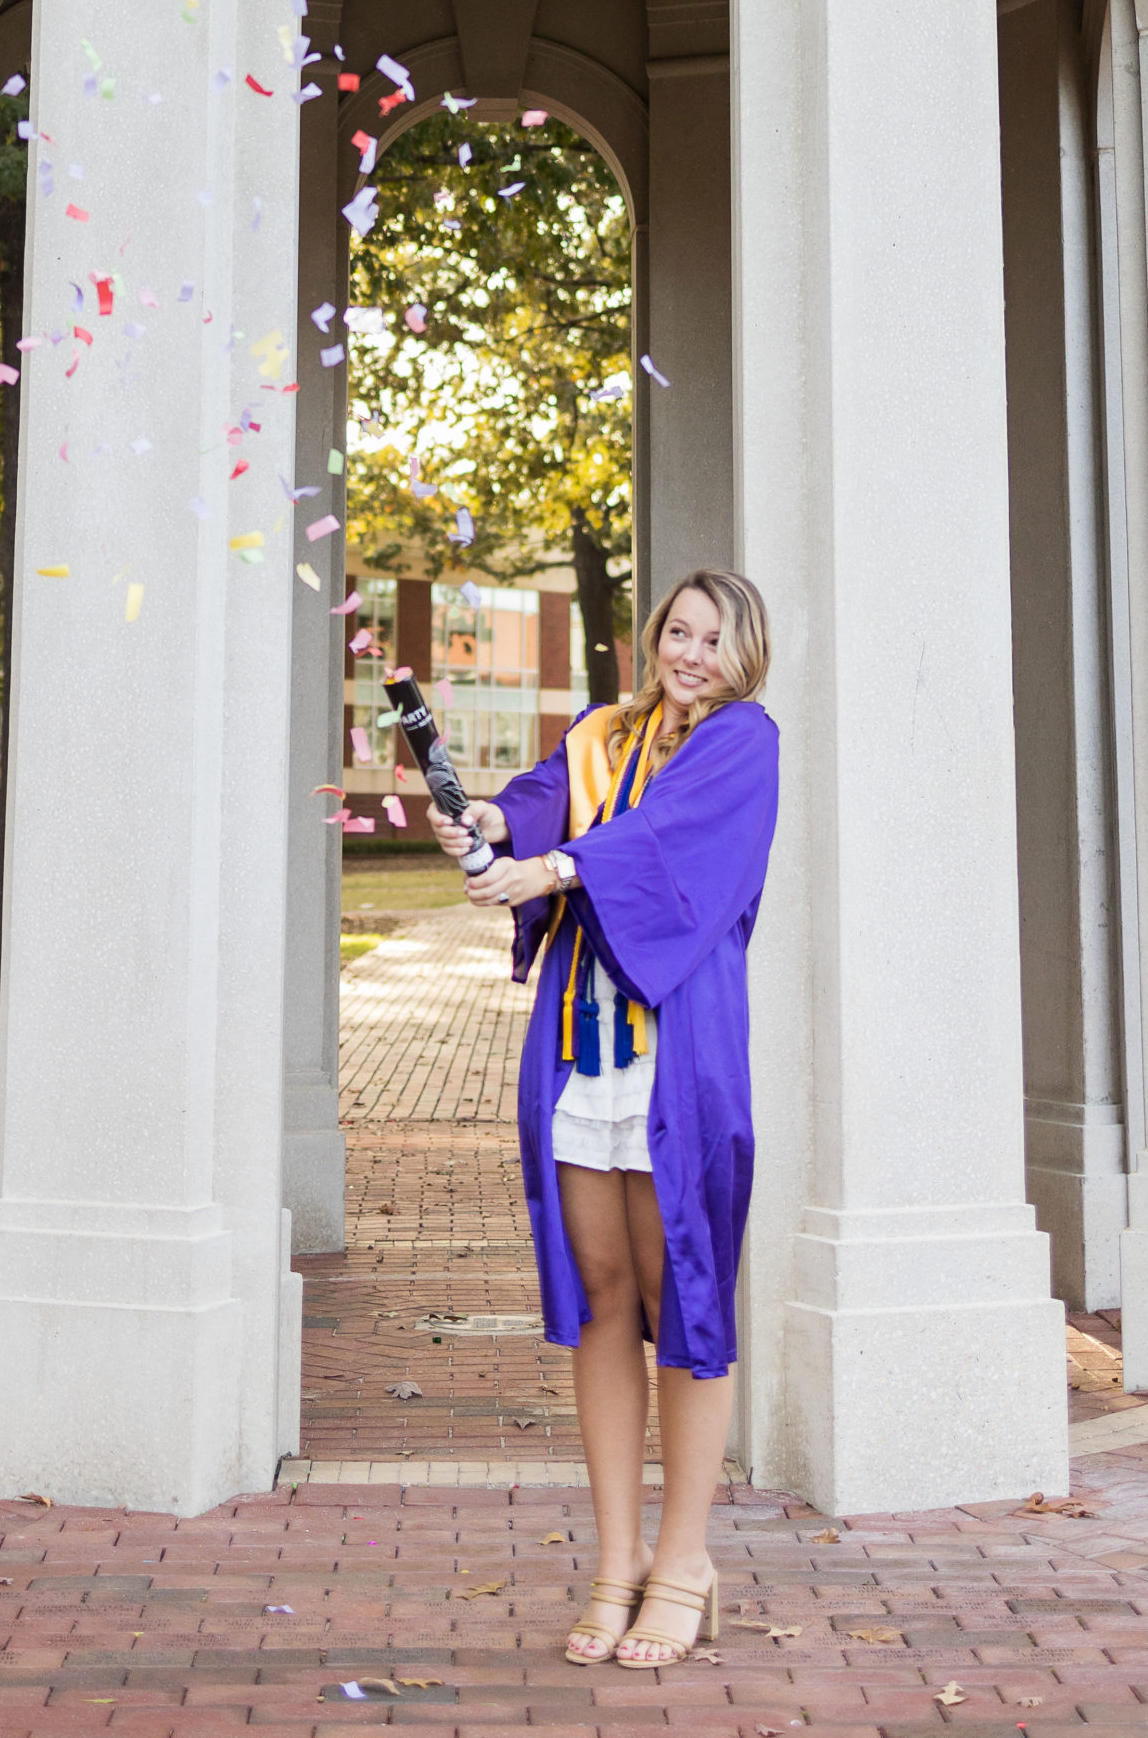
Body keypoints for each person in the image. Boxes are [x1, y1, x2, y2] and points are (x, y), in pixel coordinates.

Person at [426, 568, 779, 1671]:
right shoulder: (602, 733)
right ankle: (616, 1561)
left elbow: (663, 845)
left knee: (684, 1291)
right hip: (585, 1054)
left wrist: (551, 869)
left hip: (679, 1052)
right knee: (602, 1291)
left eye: (712, 638)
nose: (690, 652)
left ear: (742, 653)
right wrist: (486, 821)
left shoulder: (743, 741)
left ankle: (685, 1562)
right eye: (677, 629)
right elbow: (540, 795)